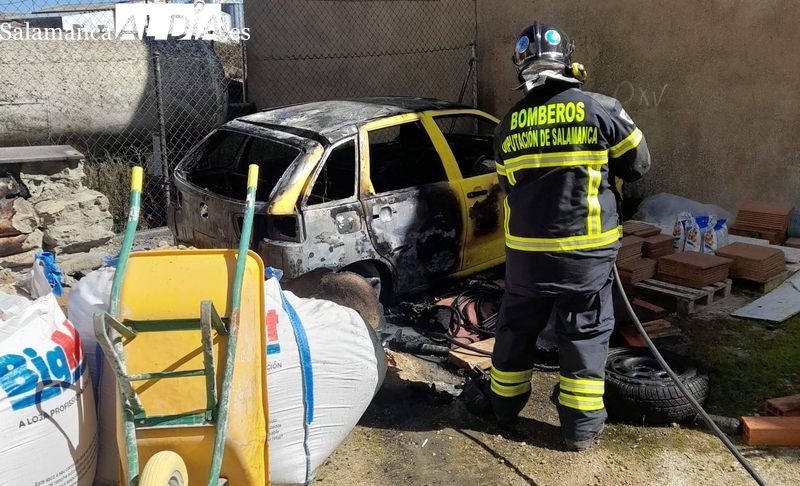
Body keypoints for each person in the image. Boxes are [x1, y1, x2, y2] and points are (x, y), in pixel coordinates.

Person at [477, 20, 651, 451]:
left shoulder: (507, 127)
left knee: (516, 330)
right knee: (584, 335)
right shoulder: (602, 108)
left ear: (522, 69)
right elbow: (638, 165)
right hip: (585, 256)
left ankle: (502, 409)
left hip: (526, 258)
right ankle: (579, 430)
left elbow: (507, 187)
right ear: (568, 60)